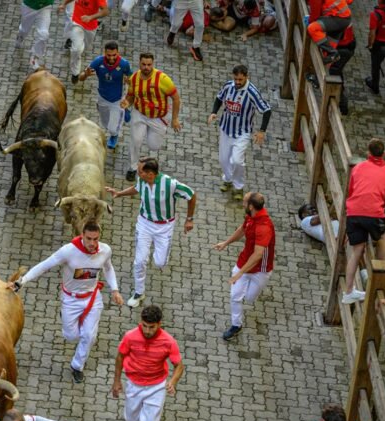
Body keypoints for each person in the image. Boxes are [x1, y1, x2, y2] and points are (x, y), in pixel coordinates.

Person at [13, 221, 123, 383]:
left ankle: (77, 366)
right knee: (70, 336)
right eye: (89, 239)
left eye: (96, 239)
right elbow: (45, 265)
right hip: (71, 299)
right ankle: (66, 317)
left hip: (93, 298)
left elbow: (108, 268)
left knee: (89, 336)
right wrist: (22, 281)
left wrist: (114, 289)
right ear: (82, 235)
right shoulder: (68, 251)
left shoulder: (105, 250)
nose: (92, 243)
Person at [105, 157, 196, 308]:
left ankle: (159, 252)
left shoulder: (170, 184)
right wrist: (119, 194)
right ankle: (139, 292)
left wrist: (189, 219)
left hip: (164, 227)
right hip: (144, 224)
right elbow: (137, 188)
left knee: (160, 262)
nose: (137, 173)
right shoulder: (142, 181)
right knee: (140, 261)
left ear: (149, 173)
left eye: (140, 171)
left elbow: (191, 195)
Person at [111, 305, 183, 421]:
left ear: (159, 324)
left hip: (156, 387)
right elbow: (120, 356)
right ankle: (147, 419)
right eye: (144, 325)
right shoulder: (130, 336)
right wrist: (116, 381)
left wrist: (172, 382)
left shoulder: (169, 341)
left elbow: (179, 365)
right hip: (134, 384)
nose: (147, 330)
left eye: (151, 327)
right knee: (130, 419)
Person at [341, 138, 385, 305]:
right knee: (381, 239)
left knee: (356, 252)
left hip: (354, 212)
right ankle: (377, 280)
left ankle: (349, 291)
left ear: (368, 153)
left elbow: (351, 190)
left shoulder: (358, 167)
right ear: (384, 154)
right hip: (374, 213)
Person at [297, 203, 385, 277]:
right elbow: (318, 219)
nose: (314, 209)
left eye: (314, 208)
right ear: (303, 214)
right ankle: (365, 276)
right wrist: (329, 208)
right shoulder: (305, 222)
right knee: (357, 242)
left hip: (348, 234)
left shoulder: (328, 217)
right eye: (310, 209)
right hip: (338, 239)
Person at [213, 192, 275, 340]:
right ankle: (236, 325)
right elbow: (242, 229)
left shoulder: (264, 227)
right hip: (243, 263)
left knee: (249, 298)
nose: (242, 204)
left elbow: (258, 254)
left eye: (245, 202)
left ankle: (247, 289)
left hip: (261, 270)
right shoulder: (251, 216)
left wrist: (240, 273)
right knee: (235, 296)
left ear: (251, 206)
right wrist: (226, 243)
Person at [207, 64, 271, 200]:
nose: (237, 82)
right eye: (236, 79)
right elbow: (219, 98)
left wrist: (262, 131)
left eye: (240, 80)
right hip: (226, 128)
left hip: (243, 132)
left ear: (247, 77)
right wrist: (213, 112)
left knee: (237, 160)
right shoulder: (228, 86)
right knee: (223, 159)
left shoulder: (252, 92)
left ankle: (238, 187)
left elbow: (266, 110)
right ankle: (228, 179)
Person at [120, 53, 181, 182]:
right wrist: (127, 102)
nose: (146, 67)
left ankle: (148, 133)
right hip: (140, 113)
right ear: (139, 63)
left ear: (152, 64)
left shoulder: (163, 79)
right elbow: (130, 96)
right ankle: (132, 167)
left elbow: (175, 98)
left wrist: (174, 119)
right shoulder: (134, 78)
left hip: (158, 118)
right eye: (144, 64)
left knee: (154, 146)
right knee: (135, 141)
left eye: (149, 65)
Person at [77, 41, 133, 149]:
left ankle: (114, 136)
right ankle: (123, 113)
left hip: (117, 100)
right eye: (109, 55)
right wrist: (86, 75)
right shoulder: (98, 62)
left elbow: (133, 80)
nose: (111, 58)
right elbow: (80, 77)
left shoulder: (124, 64)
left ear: (118, 53)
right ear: (104, 53)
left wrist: (129, 81)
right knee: (105, 123)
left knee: (112, 128)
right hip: (102, 97)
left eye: (114, 55)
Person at [58, 0, 109, 85]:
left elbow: (105, 11)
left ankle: (77, 49)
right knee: (76, 49)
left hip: (90, 27)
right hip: (77, 22)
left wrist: (90, 17)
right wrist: (64, 4)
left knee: (83, 48)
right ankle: (75, 73)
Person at [15, 0, 57, 70]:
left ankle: (35, 58)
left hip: (44, 8)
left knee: (43, 34)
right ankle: (20, 37)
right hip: (29, 7)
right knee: (24, 30)